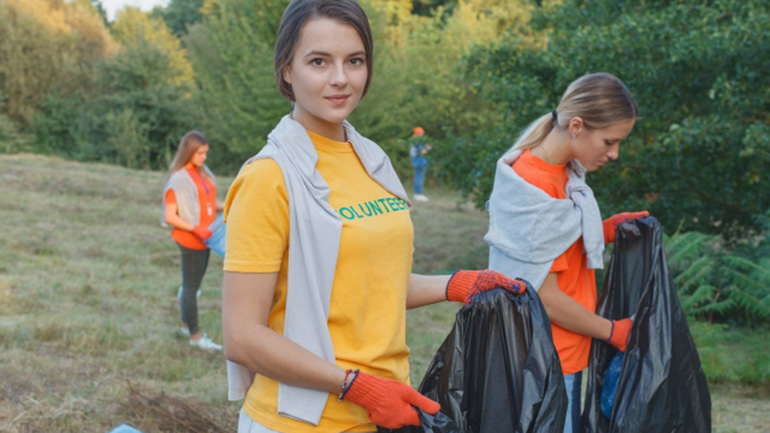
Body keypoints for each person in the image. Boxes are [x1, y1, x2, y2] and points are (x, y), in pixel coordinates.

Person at [221, 1, 524, 431]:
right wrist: (355, 386)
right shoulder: (269, 178)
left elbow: (371, 285)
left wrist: (457, 284)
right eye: (319, 61)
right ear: (287, 70)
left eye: (355, 60)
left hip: (385, 412)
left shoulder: (372, 160)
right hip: (301, 421)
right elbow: (242, 337)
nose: (341, 78)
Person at [484, 72, 649, 433]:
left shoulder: (562, 172)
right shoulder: (537, 183)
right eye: (609, 141)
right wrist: (613, 331)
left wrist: (604, 229)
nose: (614, 154)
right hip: (548, 359)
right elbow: (545, 295)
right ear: (577, 125)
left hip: (562, 353)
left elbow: (552, 244)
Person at [162, 131, 224, 351]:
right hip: (191, 239)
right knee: (191, 288)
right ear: (189, 152)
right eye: (200, 153)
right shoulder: (178, 179)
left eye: (205, 153)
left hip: (205, 237)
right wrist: (196, 228)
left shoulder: (201, 173)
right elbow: (171, 216)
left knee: (191, 286)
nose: (204, 157)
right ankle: (195, 337)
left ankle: (184, 325)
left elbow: (205, 203)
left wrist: (226, 206)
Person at [409, 126, 431, 201]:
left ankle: (418, 193)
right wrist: (425, 149)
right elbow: (421, 152)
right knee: (419, 177)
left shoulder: (418, 141)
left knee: (420, 177)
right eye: (421, 133)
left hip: (420, 161)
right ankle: (418, 194)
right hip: (418, 161)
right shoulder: (415, 142)